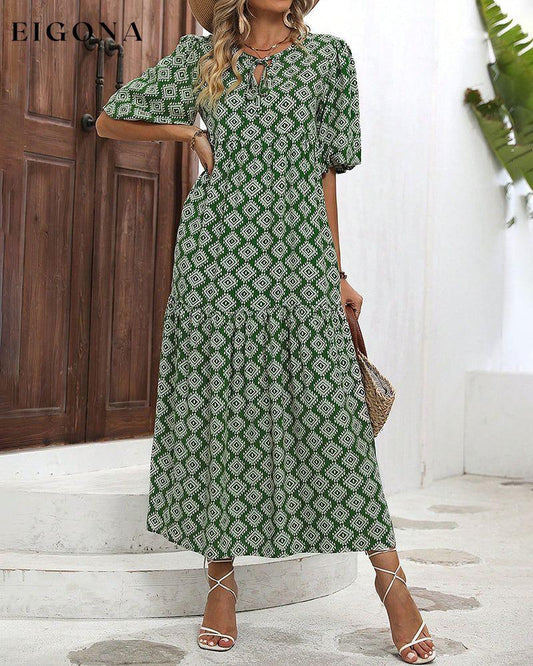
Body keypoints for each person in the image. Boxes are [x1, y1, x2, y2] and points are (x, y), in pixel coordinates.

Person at [96, 0, 435, 662]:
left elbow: (327, 172)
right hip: (217, 254)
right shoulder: (203, 58)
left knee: (332, 417)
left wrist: (336, 271)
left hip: (299, 251)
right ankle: (220, 583)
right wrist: (188, 134)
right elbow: (112, 119)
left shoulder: (327, 59)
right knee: (224, 407)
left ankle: (392, 583)